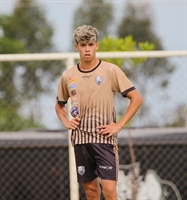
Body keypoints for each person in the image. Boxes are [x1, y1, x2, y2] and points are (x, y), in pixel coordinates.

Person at [55, 25, 143, 200]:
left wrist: (119, 125)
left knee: (109, 191)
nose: (87, 49)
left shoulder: (110, 70)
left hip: (104, 139)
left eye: (90, 44)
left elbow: (136, 98)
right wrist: (66, 122)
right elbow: (59, 105)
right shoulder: (68, 75)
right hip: (80, 140)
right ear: (76, 47)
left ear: (97, 45)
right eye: (83, 45)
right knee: (91, 192)